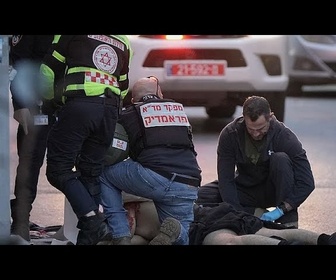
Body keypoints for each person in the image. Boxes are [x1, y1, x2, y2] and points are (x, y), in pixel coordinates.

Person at [39, 35, 133, 245]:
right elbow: (124, 85)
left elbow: (47, 71)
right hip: (108, 111)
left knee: (58, 170)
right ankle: (89, 237)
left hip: (80, 106)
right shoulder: (123, 41)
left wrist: (50, 102)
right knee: (90, 174)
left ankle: (93, 220)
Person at [100, 76, 202, 245]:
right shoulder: (178, 110)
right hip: (188, 183)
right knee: (181, 230)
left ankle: (120, 234)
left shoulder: (130, 113)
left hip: (154, 177)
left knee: (103, 174)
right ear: (160, 94)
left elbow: (110, 141)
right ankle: (177, 234)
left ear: (133, 99)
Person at [197, 95, 315, 228]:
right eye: (251, 129)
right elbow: (226, 179)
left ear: (270, 117)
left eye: (260, 129)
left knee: (280, 159)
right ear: (243, 119)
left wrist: (283, 208)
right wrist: (237, 214)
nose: (256, 134)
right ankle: (253, 214)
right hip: (246, 189)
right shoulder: (230, 134)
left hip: (275, 190)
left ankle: (288, 221)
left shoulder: (284, 137)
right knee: (199, 196)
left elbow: (307, 182)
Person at [9, 35, 58, 242]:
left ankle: (86, 219)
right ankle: (20, 220)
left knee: (69, 168)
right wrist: (19, 104)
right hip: (37, 105)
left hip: (72, 105)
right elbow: (18, 63)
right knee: (30, 162)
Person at [189, 201, 336, 245]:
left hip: (202, 222)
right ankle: (326, 240)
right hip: (223, 212)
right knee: (272, 232)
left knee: (229, 242)